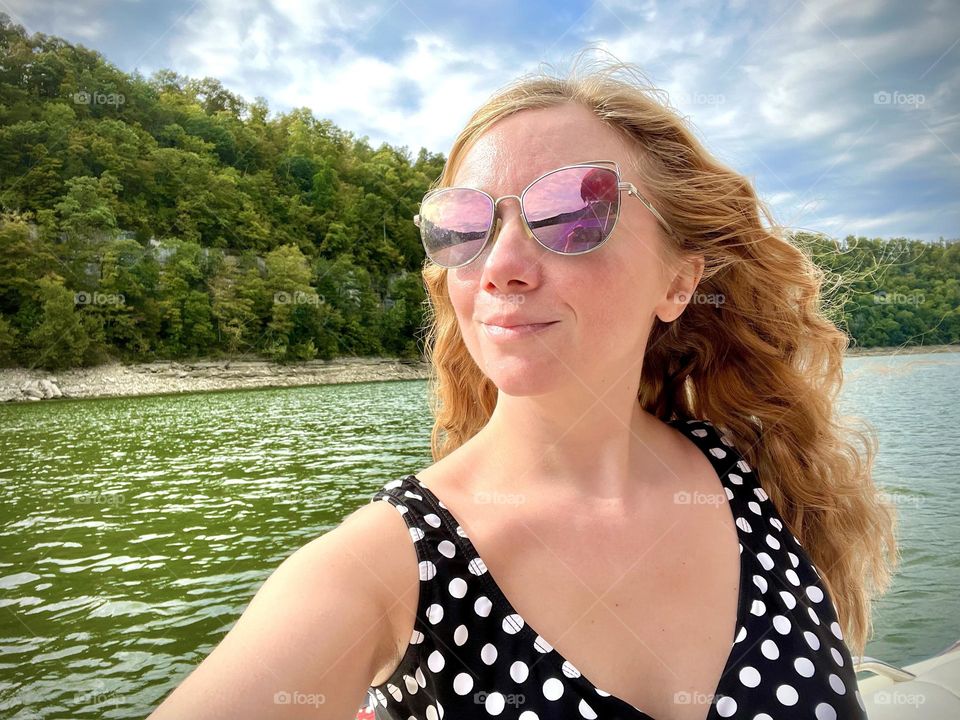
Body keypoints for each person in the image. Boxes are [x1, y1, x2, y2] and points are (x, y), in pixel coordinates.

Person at [148, 57, 899, 720]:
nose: (502, 263)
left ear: (678, 280)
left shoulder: (754, 476)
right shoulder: (383, 568)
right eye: (463, 224)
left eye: (572, 213)